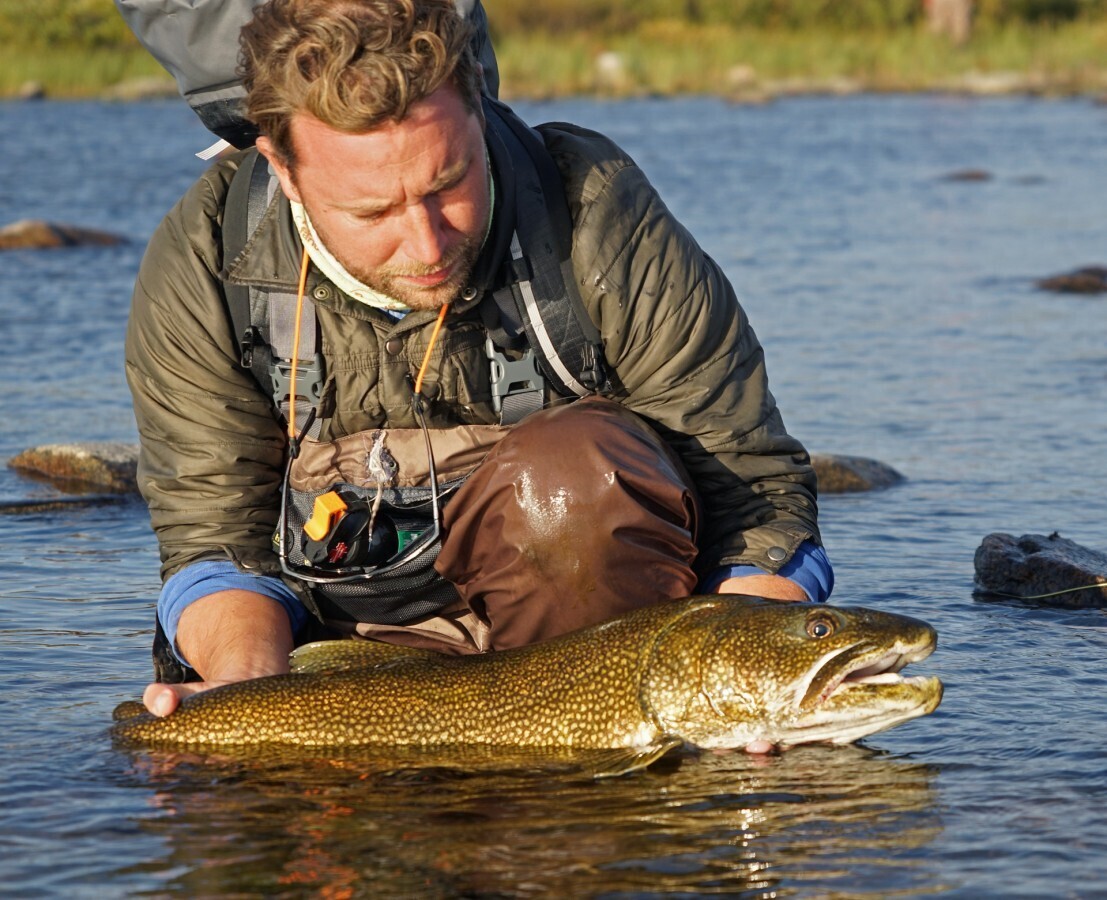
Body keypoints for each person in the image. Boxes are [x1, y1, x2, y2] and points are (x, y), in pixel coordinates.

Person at [125, 0, 833, 727]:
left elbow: (753, 490)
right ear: (284, 166)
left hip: (594, 666)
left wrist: (752, 682)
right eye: (372, 213)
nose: (428, 247)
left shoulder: (591, 207)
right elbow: (212, 538)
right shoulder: (210, 253)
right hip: (337, 666)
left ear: (476, 106)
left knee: (570, 475)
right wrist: (250, 695)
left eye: (448, 184)